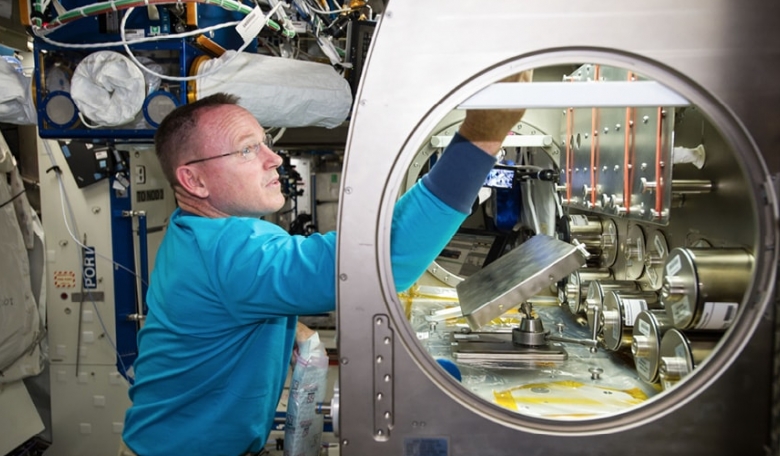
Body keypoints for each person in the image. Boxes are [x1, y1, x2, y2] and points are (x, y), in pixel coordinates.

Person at [121, 72, 531, 456]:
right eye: (248, 150)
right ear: (194, 182)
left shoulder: (193, 233)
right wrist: (484, 132)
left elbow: (222, 305)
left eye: (266, 142)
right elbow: (386, 257)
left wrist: (286, 325)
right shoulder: (234, 252)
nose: (274, 159)